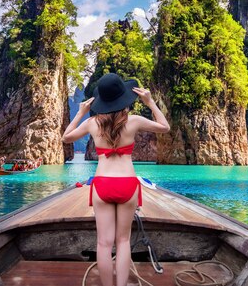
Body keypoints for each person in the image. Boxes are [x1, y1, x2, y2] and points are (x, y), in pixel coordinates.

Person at [62, 73, 170, 286]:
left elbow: (66, 137)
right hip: (127, 185)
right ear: (124, 99)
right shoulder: (134, 121)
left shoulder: (92, 123)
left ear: (101, 100)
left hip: (102, 184)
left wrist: (82, 112)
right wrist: (150, 102)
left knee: (103, 243)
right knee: (123, 242)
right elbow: (164, 127)